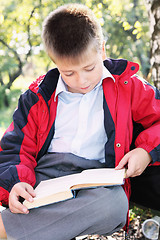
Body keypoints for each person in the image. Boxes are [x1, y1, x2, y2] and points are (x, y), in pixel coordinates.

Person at [0, 3, 160, 240]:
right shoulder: (36, 96)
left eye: (89, 68)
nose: (82, 81)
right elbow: (14, 149)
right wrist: (17, 183)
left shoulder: (128, 86)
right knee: (30, 197)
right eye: (69, 73)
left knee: (114, 206)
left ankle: (9, 228)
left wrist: (145, 151)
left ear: (102, 51)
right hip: (44, 175)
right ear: (55, 62)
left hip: (97, 181)